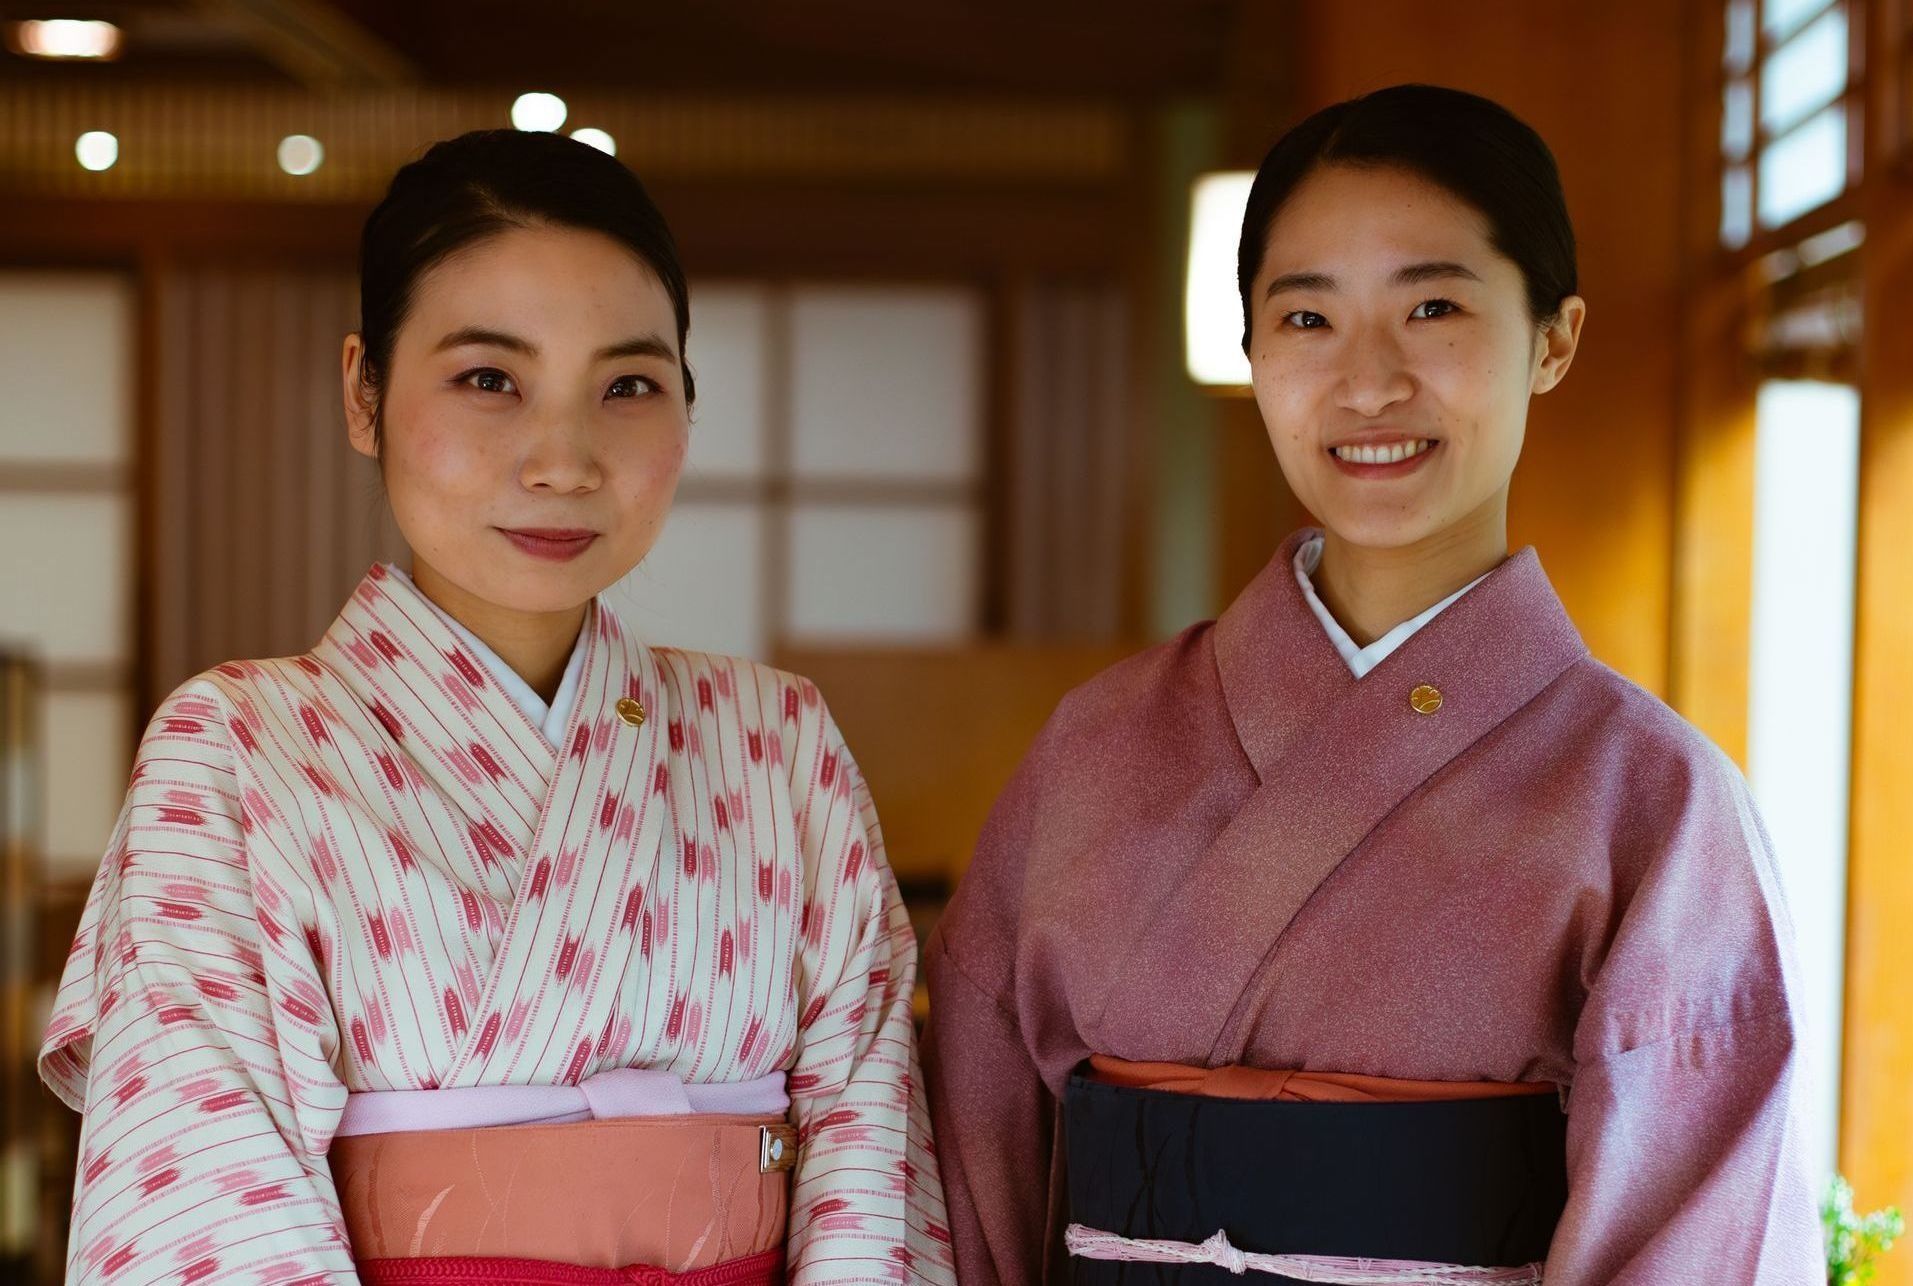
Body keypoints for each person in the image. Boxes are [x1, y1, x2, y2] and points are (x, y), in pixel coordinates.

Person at [924, 84, 1823, 1285]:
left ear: (1551, 339)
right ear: (1248, 347)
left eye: (1433, 306)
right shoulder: (1095, 746)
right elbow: (969, 1180)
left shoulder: (1653, 799)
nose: (1365, 383)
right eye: (1305, 320)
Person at [42, 129, 953, 1286]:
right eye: (487, 379)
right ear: (363, 393)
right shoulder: (233, 749)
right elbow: (211, 1209)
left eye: (627, 385)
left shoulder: (777, 741)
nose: (562, 456)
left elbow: (868, 1175)